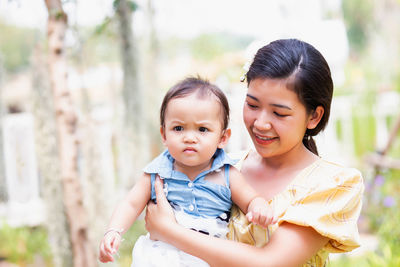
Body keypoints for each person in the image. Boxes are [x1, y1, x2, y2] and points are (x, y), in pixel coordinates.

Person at [145, 39, 364, 267]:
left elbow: (269, 262)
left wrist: (170, 231)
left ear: (314, 117)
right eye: (252, 105)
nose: (260, 123)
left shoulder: (330, 185)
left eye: (279, 113)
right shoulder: (225, 166)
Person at [98, 77, 275, 266]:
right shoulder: (157, 173)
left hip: (206, 255)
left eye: (202, 129)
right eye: (178, 128)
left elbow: (250, 199)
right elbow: (131, 204)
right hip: (160, 256)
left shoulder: (227, 174)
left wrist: (259, 207)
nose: (190, 137)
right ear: (164, 135)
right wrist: (114, 231)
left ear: (223, 138)